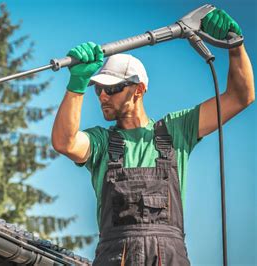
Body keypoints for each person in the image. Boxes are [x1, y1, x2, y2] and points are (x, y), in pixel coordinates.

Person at [51, 9, 254, 265]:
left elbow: (240, 96)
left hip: (169, 257)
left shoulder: (176, 130)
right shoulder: (101, 142)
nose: (103, 96)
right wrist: (76, 86)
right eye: (99, 89)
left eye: (112, 88)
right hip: (115, 257)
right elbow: (64, 142)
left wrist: (235, 46)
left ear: (139, 89)